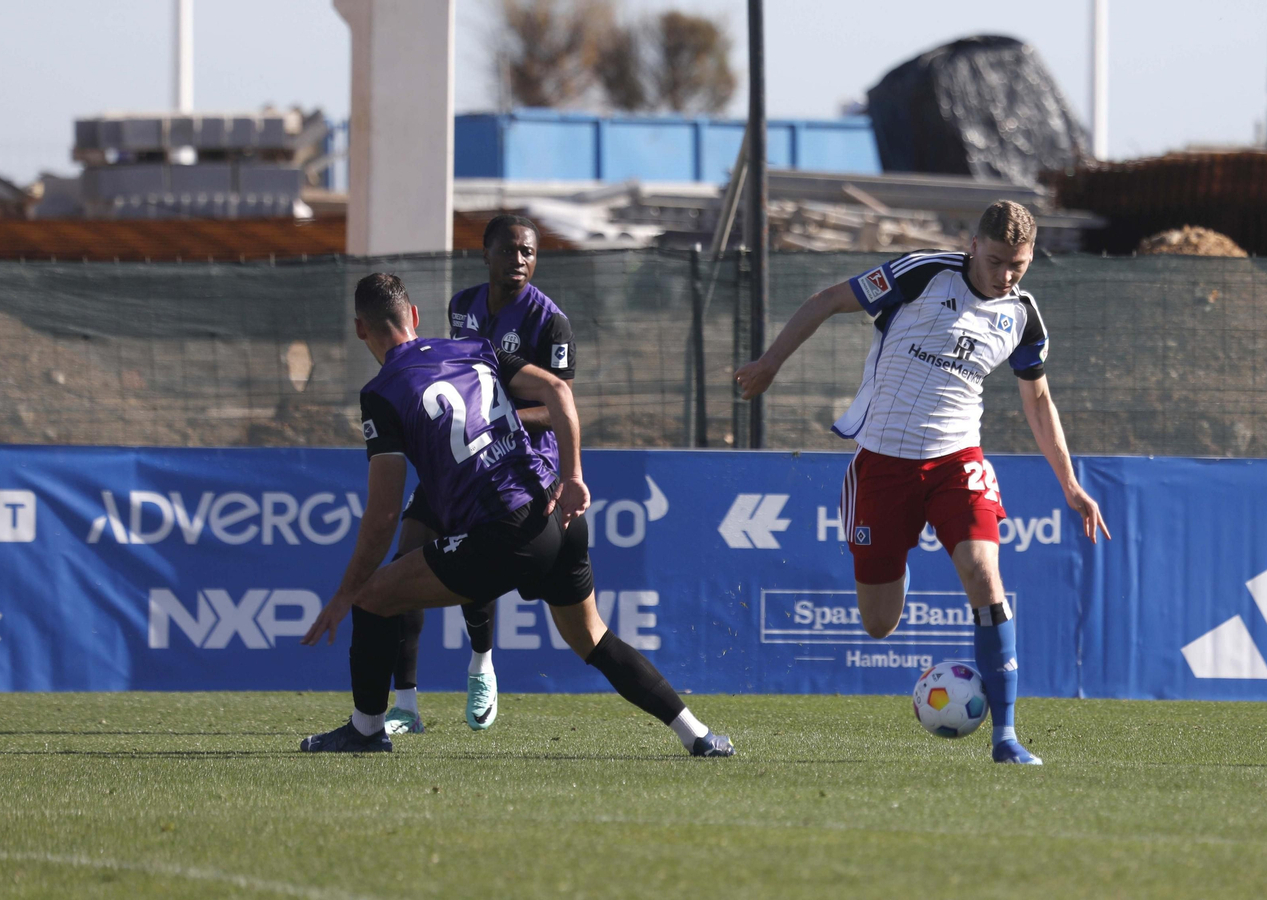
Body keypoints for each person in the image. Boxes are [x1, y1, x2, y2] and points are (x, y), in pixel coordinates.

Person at [734, 200, 1109, 765]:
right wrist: (770, 362)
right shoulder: (923, 273)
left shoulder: (1024, 317)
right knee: (879, 624)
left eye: (1020, 265)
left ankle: (1005, 737)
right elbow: (829, 300)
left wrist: (1070, 484)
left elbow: (1039, 400)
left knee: (985, 576)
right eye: (998, 260)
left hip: (958, 461)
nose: (1006, 275)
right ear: (973, 245)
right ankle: (898, 557)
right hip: (883, 464)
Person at [299, 273, 733, 758]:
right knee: (594, 637)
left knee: (373, 598)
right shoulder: (473, 349)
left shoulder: (380, 393)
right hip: (555, 511)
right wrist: (573, 476)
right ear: (415, 316)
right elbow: (558, 392)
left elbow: (383, 517)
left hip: (503, 531)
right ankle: (697, 734)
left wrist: (344, 593)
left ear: (362, 330)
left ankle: (365, 730)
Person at [381, 215, 576, 735]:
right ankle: (405, 704)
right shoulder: (462, 306)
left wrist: (496, 418)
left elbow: (560, 405)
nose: (520, 260)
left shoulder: (549, 322)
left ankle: (482, 665)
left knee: (476, 562)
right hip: (460, 457)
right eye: (510, 250)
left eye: (529, 252)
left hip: (516, 467)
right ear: (485, 253)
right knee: (405, 559)